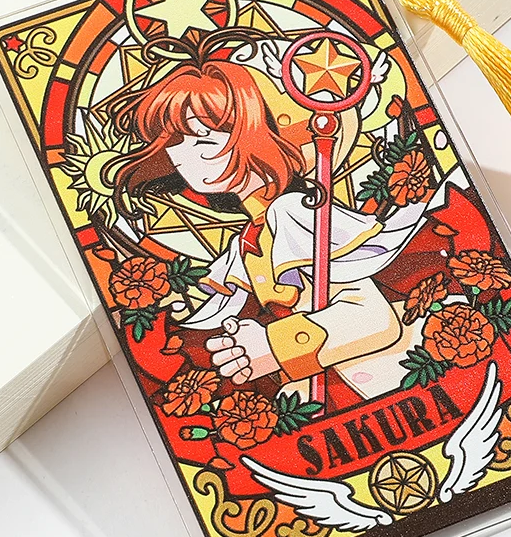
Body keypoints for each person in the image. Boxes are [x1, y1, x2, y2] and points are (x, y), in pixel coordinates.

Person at [110, 30, 453, 407]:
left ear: (255, 130)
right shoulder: (248, 240)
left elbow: (375, 319)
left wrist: (274, 347)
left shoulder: (293, 214)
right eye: (177, 143)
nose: (188, 157)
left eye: (206, 136)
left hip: (401, 377)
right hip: (348, 392)